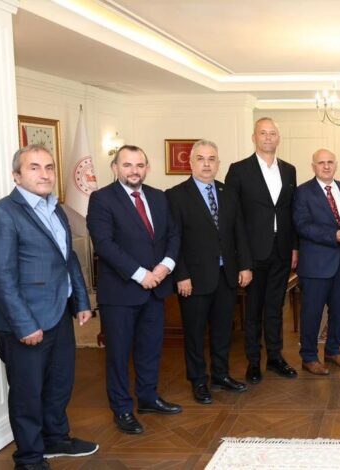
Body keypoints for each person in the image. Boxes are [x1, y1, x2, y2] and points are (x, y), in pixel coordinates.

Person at [0, 145, 98, 469]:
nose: (45, 174)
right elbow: (1, 275)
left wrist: (81, 301)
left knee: (59, 384)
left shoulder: (55, 208)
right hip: (25, 323)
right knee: (27, 394)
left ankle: (55, 439)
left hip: (58, 314)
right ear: (16, 175)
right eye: (34, 167)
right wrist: (24, 324)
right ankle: (28, 458)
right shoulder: (3, 213)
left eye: (49, 167)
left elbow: (68, 259)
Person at [87, 145, 182, 435]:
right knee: (118, 354)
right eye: (127, 165)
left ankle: (148, 398)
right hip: (121, 293)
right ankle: (122, 409)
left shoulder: (159, 196)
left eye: (140, 165)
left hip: (156, 288)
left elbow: (173, 234)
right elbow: (104, 244)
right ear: (115, 168)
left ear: (147, 168)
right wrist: (141, 275)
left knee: (150, 348)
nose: (134, 171)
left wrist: (165, 266)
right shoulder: (102, 199)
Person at [166, 139, 252, 405]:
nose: (206, 164)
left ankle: (220, 375)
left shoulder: (228, 192)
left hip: (226, 275)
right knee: (194, 334)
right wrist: (181, 275)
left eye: (211, 159)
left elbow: (239, 232)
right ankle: (198, 381)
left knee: (223, 331)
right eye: (201, 159)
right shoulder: (176, 195)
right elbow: (173, 239)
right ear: (191, 163)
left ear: (218, 163)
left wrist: (245, 265)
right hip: (193, 279)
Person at [225, 117, 299, 382]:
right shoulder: (238, 170)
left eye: (272, 133)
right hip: (252, 252)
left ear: (279, 138)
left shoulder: (289, 170)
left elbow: (290, 212)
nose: (268, 137)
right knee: (254, 310)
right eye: (263, 133)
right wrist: (241, 259)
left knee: (275, 308)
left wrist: (294, 247)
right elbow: (232, 217)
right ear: (254, 138)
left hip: (281, 250)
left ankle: (275, 358)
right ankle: (254, 362)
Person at [293, 149, 340, 375]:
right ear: (313, 166)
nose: (326, 166)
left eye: (330, 162)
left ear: (336, 165)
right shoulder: (302, 192)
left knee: (339, 311)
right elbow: (302, 225)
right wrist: (332, 236)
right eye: (321, 163)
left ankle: (333, 350)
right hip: (316, 265)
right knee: (312, 313)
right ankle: (309, 356)